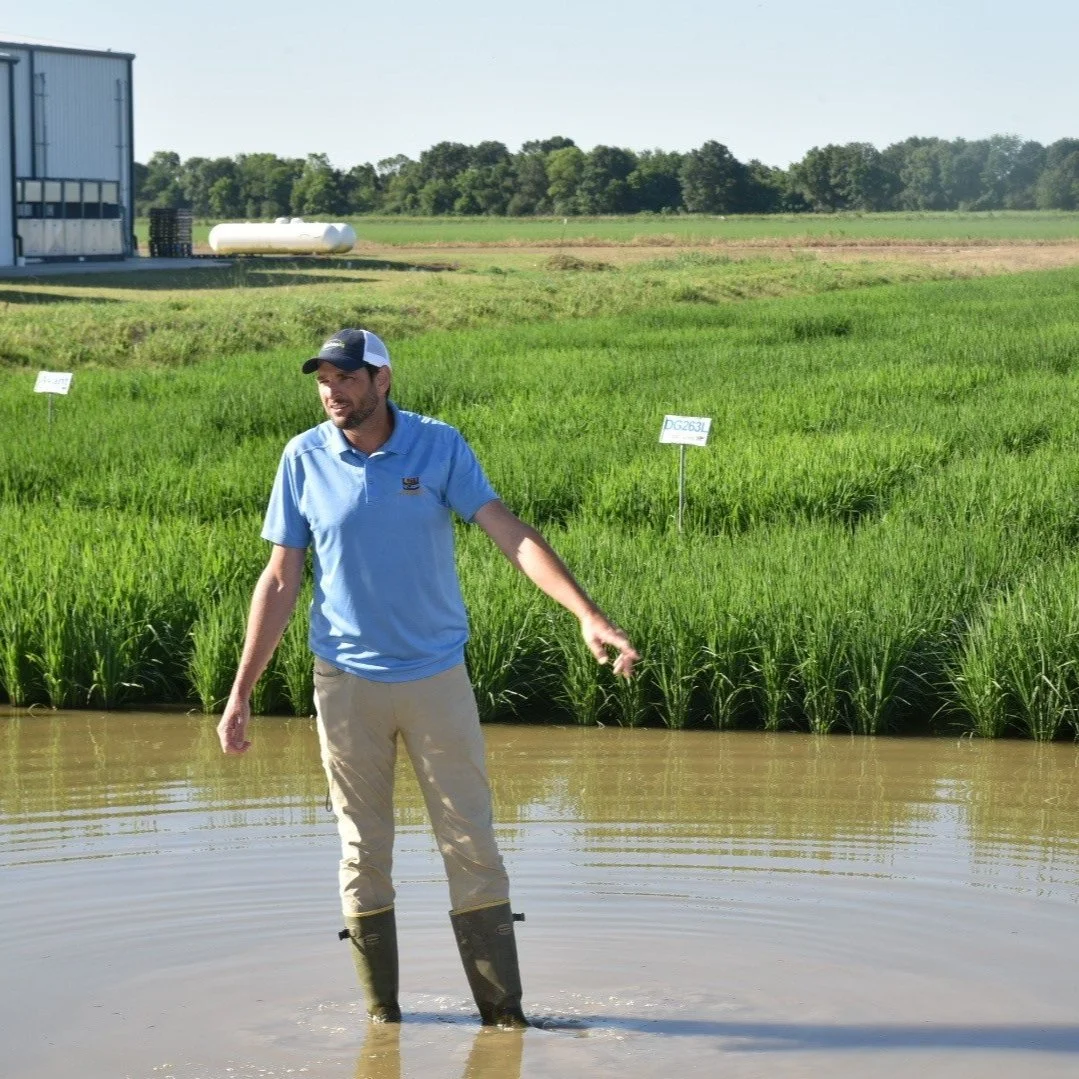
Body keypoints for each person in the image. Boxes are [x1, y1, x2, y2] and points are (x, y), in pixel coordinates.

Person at [216, 328, 638, 1029]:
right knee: (362, 849)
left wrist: (586, 614)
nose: (332, 391)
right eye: (323, 378)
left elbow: (509, 531)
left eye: (346, 377)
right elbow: (281, 576)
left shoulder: (439, 445)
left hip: (437, 679)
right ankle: (383, 1022)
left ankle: (504, 1020)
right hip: (345, 683)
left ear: (382, 380)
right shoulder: (302, 457)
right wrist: (240, 690)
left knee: (471, 843)